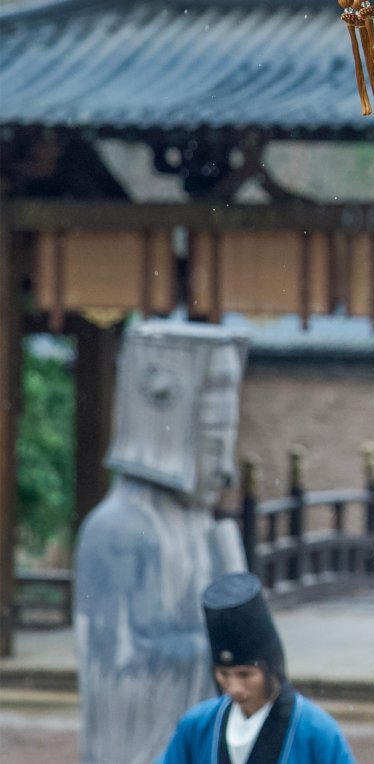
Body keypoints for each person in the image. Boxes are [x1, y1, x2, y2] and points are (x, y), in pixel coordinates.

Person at [75, 321, 248, 764]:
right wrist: (230, 653)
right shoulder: (116, 529)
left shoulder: (202, 526)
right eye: (212, 445)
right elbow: (114, 669)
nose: (224, 469)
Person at [156, 572, 355, 764]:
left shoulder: (316, 731)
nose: (234, 688)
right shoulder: (197, 725)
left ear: (271, 667)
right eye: (224, 674)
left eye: (245, 674)